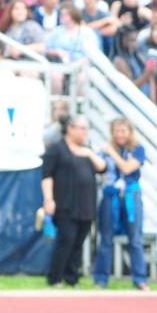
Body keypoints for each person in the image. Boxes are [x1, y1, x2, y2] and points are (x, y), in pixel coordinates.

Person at [40, 115, 105, 287]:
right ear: (70, 128)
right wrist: (49, 199)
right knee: (66, 240)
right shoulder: (56, 149)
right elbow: (47, 176)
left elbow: (102, 167)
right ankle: (55, 277)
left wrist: (89, 153)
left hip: (86, 204)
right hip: (65, 203)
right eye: (81, 128)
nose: (85, 132)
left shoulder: (87, 150)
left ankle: (72, 277)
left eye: (86, 128)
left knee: (78, 242)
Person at [93, 117, 147, 290]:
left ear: (130, 132)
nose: (119, 135)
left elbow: (126, 168)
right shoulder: (106, 150)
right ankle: (101, 279)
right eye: (116, 131)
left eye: (123, 131)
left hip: (131, 196)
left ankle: (140, 279)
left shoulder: (138, 149)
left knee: (135, 240)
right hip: (111, 195)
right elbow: (101, 170)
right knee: (106, 239)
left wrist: (112, 152)